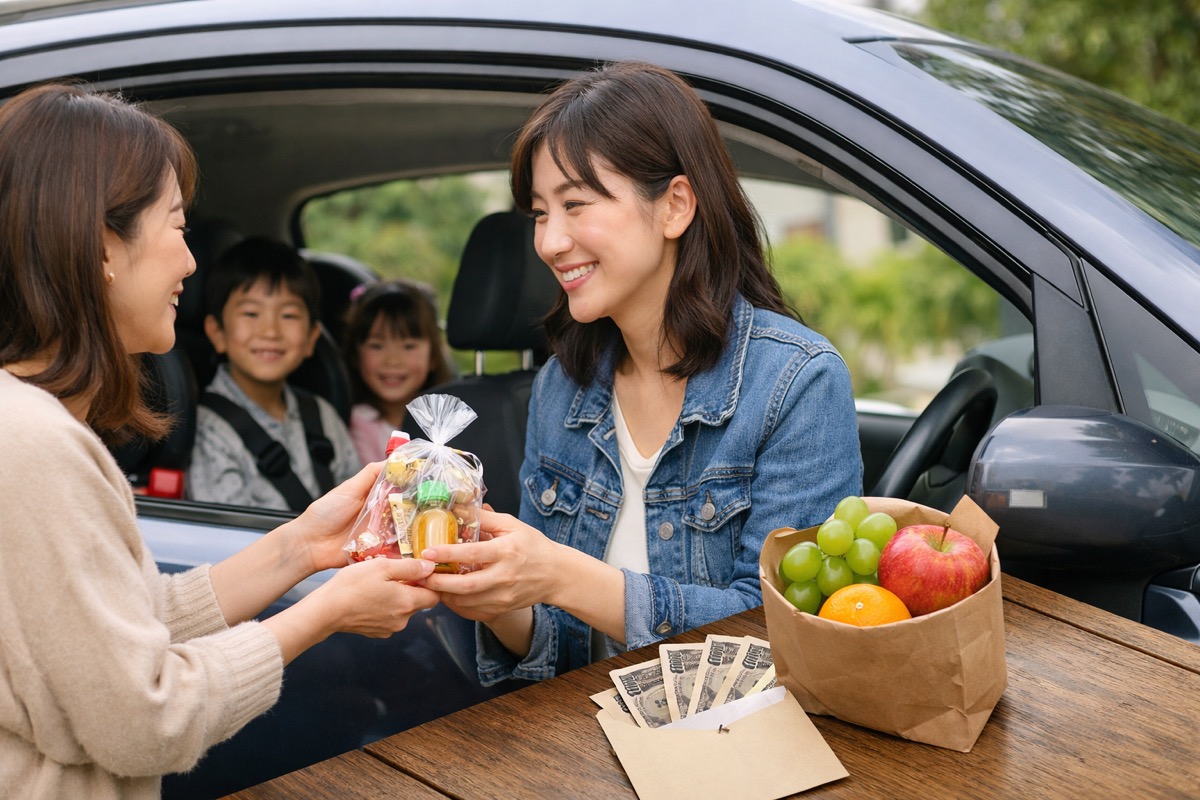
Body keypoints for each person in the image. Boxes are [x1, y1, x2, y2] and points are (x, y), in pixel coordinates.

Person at [0, 82, 439, 798]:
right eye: (177, 227)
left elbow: (126, 627)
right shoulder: (32, 447)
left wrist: (301, 547)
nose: (190, 263)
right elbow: (146, 719)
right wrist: (326, 611)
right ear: (104, 246)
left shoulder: (28, 426)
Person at [422, 62, 863, 683]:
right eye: (541, 214)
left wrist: (561, 573)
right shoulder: (561, 388)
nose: (549, 242)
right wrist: (500, 602)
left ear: (675, 206)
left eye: (575, 204)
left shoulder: (795, 382)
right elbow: (559, 647)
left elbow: (784, 638)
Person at [187, 236, 362, 511]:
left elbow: (360, 509)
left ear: (311, 338)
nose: (270, 331)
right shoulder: (208, 429)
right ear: (217, 333)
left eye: (289, 315)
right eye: (251, 314)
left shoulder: (321, 417)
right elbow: (225, 536)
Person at [341, 279, 454, 463]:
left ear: (433, 355)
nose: (393, 361)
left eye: (409, 346)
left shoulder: (447, 422)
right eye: (377, 346)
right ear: (356, 355)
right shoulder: (357, 424)